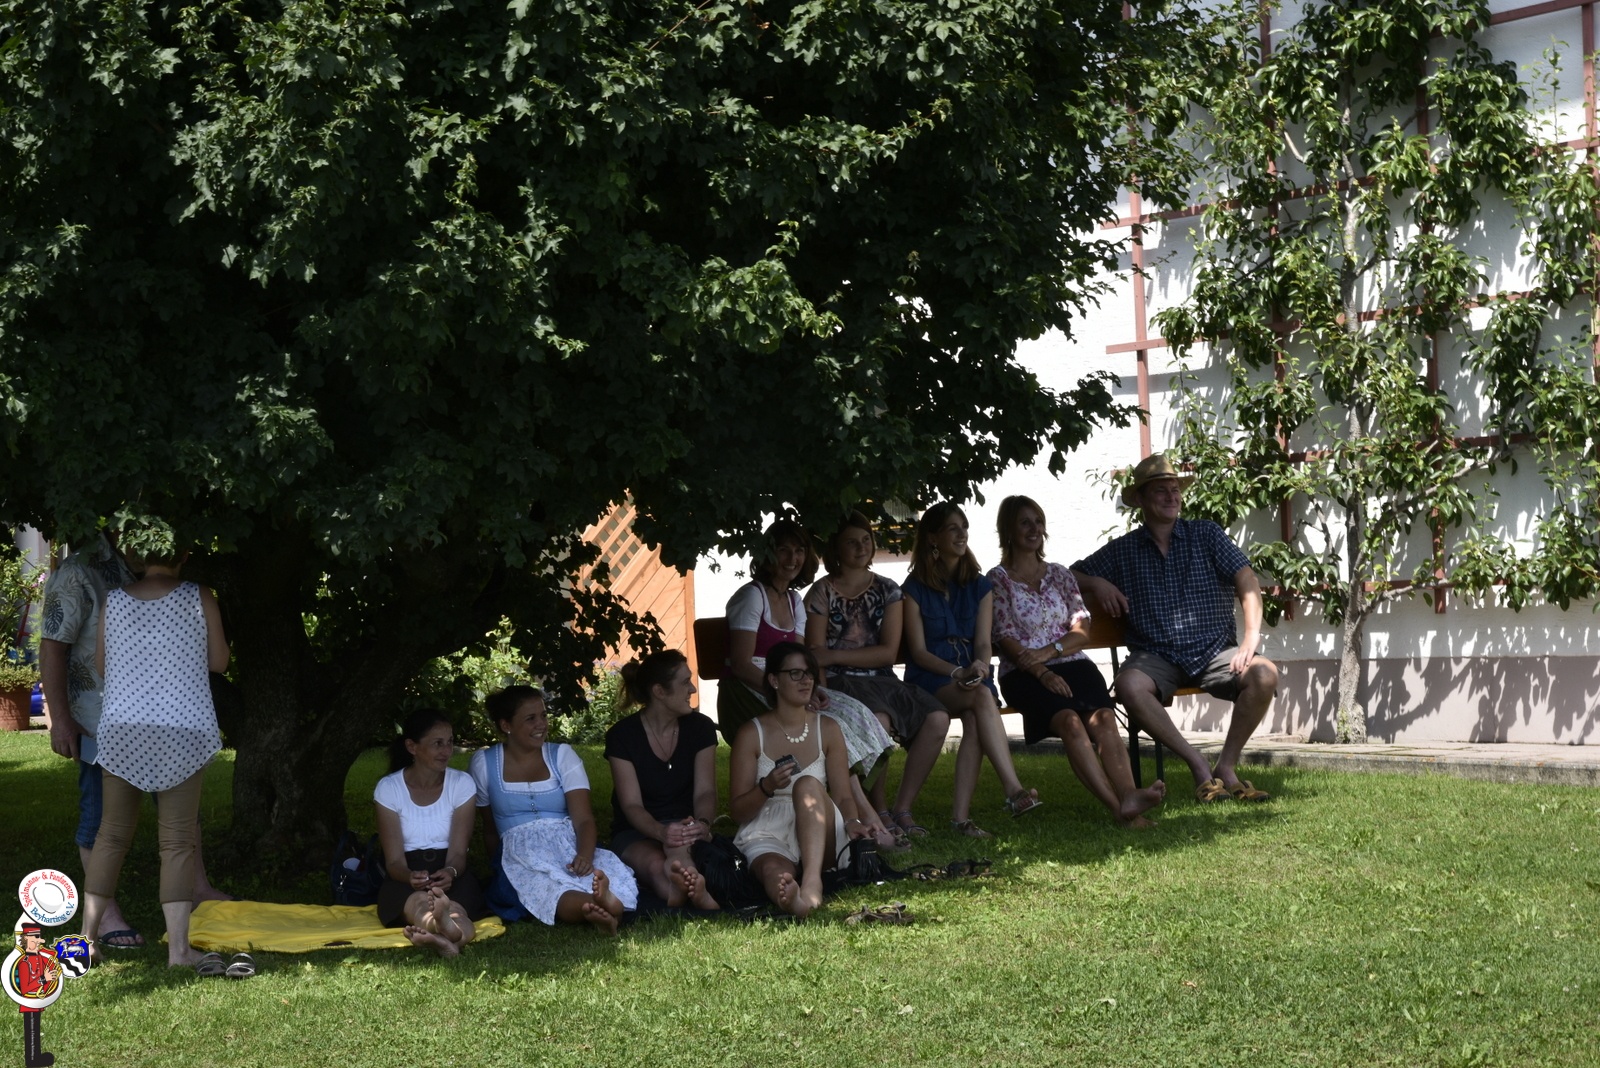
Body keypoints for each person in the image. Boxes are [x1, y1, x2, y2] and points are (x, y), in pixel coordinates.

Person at [40, 534, 226, 949]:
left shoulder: (116, 600)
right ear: (185, 553)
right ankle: (179, 952)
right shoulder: (199, 596)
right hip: (182, 729)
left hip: (123, 731)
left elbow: (103, 665)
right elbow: (218, 661)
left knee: (110, 835)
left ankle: (87, 939)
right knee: (177, 841)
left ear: (136, 554)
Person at [1071, 453, 1280, 803]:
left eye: (1175, 489)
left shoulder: (1206, 534)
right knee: (1128, 685)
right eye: (1160, 490)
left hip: (1214, 651)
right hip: (1156, 657)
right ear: (1140, 499)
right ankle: (1197, 764)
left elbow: (1246, 578)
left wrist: (1251, 638)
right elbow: (1067, 575)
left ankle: (1227, 766)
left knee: (1265, 673)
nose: (1171, 496)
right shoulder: (1123, 550)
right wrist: (1097, 583)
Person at [718, 517, 900, 850]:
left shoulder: (793, 600)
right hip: (750, 688)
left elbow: (801, 658)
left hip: (788, 680)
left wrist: (812, 688)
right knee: (827, 725)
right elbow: (742, 664)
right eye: (783, 550)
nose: (792, 558)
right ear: (767, 554)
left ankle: (860, 813)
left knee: (854, 714)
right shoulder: (752, 597)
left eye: (799, 551)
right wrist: (785, 689)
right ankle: (868, 818)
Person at [988, 495, 1167, 827]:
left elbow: (1081, 630)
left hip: (1072, 663)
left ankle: (1129, 795)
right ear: (1008, 531)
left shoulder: (1059, 574)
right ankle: (1119, 811)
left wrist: (1050, 651)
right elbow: (1005, 637)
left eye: (1038, 521)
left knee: (1104, 718)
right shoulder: (998, 579)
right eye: (1025, 522)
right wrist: (1041, 671)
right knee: (1070, 721)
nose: (1034, 528)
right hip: (1023, 673)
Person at [804, 511, 951, 839]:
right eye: (851, 542)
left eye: (866, 540)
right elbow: (815, 655)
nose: (861, 547)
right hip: (840, 683)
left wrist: (834, 653)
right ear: (836, 549)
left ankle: (903, 807)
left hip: (883, 680)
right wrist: (820, 687)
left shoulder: (888, 590)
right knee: (878, 722)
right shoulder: (822, 592)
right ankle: (880, 809)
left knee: (938, 718)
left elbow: (886, 652)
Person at [901, 502, 1041, 838]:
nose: (962, 534)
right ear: (933, 538)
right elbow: (918, 653)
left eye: (964, 527)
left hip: (971, 676)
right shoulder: (914, 588)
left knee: (978, 714)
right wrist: (956, 673)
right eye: (953, 528)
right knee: (981, 699)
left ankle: (961, 820)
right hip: (931, 679)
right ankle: (1013, 790)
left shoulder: (980, 586)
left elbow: (982, 643)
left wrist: (979, 665)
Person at [471, 685, 638, 935]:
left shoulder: (561, 756)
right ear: (506, 725)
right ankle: (599, 906)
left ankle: (603, 904)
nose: (541, 724)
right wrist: (497, 866)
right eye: (530, 718)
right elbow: (490, 828)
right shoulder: (484, 763)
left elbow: (584, 819)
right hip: (520, 853)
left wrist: (584, 855)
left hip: (567, 844)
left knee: (586, 875)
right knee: (544, 887)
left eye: (543, 715)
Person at [729, 642, 869, 917]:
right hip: (769, 827)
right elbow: (737, 812)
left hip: (820, 826)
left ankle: (813, 882)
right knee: (772, 870)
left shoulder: (828, 728)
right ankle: (790, 900)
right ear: (774, 680)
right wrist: (766, 787)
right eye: (795, 673)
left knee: (806, 784)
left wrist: (852, 821)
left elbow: (843, 796)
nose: (806, 680)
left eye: (809, 673)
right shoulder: (751, 733)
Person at [603, 650, 720, 911]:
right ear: (659, 691)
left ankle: (688, 886)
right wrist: (661, 831)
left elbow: (705, 792)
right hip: (636, 830)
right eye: (685, 682)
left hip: (685, 825)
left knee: (679, 847)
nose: (692, 688)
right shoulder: (622, 736)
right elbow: (631, 805)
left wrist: (702, 823)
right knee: (655, 864)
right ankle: (684, 890)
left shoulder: (700, 728)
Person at [373, 709, 486, 957]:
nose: (447, 751)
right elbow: (393, 862)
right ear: (412, 747)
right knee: (420, 905)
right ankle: (445, 930)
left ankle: (445, 935)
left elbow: (459, 852)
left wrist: (450, 872)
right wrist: (410, 877)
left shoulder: (461, 784)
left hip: (451, 871)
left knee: (458, 909)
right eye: (438, 743)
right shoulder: (389, 788)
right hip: (405, 877)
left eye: (450, 742)